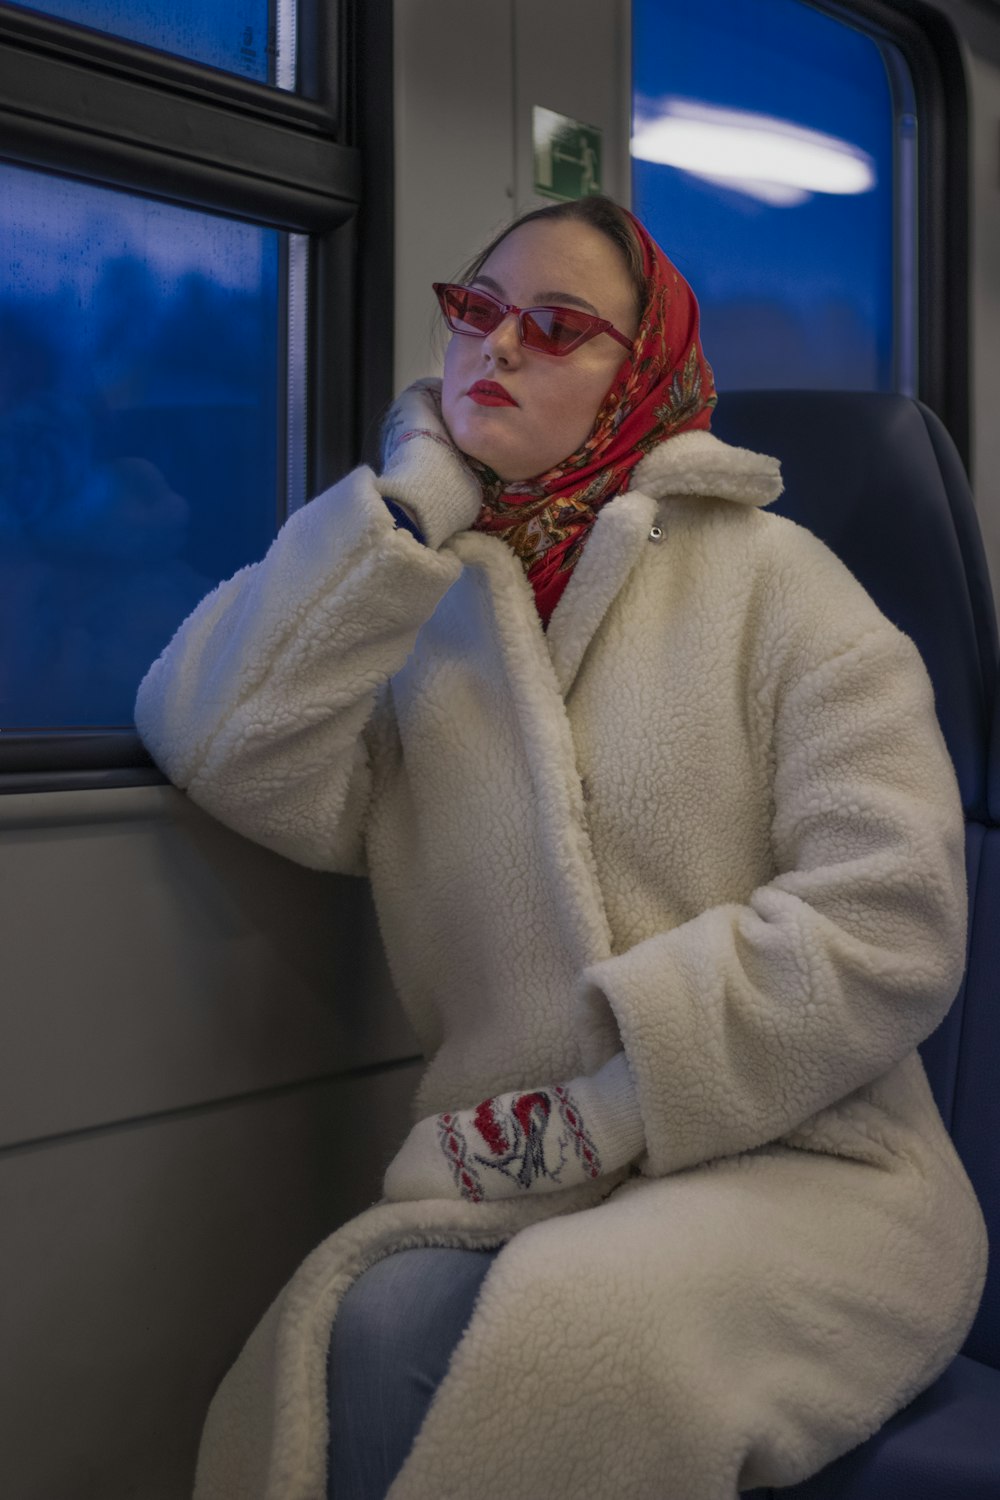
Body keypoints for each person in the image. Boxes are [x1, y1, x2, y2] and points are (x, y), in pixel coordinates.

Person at [134, 197, 987, 1500]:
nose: (499, 349)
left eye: (558, 325)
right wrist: (409, 512)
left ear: (642, 376)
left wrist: (609, 1113)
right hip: (530, 1175)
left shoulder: (781, 582)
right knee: (355, 1337)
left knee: (558, 1344)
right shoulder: (430, 615)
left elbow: (893, 919)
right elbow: (223, 743)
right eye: (476, 313)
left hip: (814, 1173)